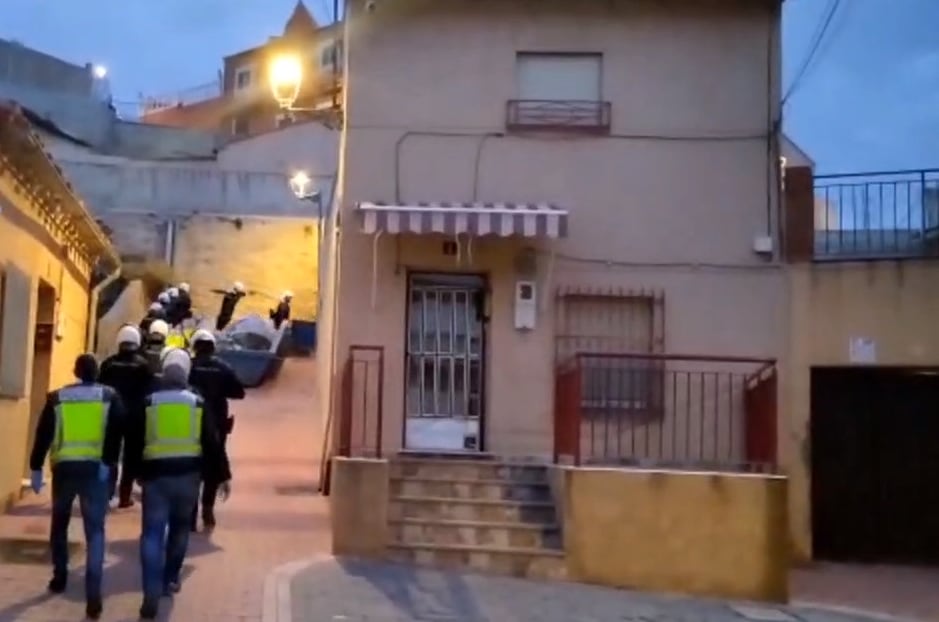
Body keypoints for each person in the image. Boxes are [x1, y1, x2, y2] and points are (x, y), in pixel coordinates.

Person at [129, 348, 231, 620]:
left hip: (155, 477)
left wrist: (133, 473)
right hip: (188, 477)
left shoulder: (149, 402)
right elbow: (212, 442)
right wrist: (223, 475)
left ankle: (150, 592)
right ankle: (170, 578)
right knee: (180, 530)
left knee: (151, 534)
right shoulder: (196, 403)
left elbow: (134, 442)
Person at [28, 354, 124, 620]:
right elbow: (118, 431)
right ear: (97, 372)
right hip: (95, 471)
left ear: (75, 371)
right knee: (95, 531)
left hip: (65, 470)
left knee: (59, 524)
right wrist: (109, 462)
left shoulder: (57, 398)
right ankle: (93, 593)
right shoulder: (110, 397)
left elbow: (43, 433)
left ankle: (60, 576)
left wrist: (35, 467)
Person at [188, 329, 244, 531]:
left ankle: (191, 514)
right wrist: (221, 391)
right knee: (213, 464)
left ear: (195, 347)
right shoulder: (223, 367)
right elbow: (239, 392)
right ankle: (208, 509)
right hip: (218, 423)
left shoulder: (189, 367)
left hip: (192, 421)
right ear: (213, 347)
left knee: (193, 466)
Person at [98, 325, 154, 509]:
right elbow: (149, 392)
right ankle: (124, 496)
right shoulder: (143, 365)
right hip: (135, 417)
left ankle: (106, 493)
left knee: (110, 453)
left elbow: (100, 389)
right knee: (131, 458)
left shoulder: (108, 363)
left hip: (112, 415)